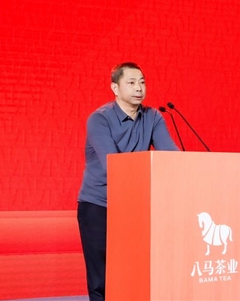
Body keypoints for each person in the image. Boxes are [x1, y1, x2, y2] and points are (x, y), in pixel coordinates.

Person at [77, 62, 178, 301]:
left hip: (135, 205)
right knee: (101, 277)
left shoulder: (153, 116)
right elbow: (114, 166)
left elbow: (171, 158)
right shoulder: (99, 119)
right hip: (99, 205)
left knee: (135, 270)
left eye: (142, 82)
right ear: (115, 87)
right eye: (131, 83)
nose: (139, 88)